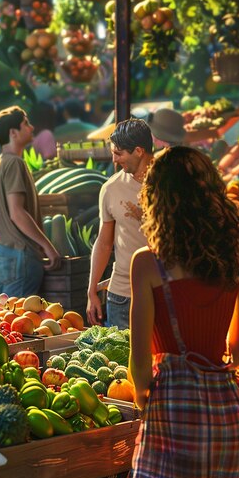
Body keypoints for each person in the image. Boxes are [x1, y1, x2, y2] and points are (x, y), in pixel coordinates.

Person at [127, 146, 239, 478]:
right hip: (227, 423)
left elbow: (139, 368)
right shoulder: (234, 257)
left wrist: (150, 406)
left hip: (172, 420)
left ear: (156, 200)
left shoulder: (146, 264)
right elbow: (237, 351)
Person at [86, 118, 154, 330]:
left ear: (139, 151)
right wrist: (91, 291)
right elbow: (104, 243)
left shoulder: (168, 182)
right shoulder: (110, 188)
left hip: (163, 293)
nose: (114, 160)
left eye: (119, 153)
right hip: (122, 297)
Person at [0, 106, 61, 298]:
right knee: (18, 319)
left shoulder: (0, 162)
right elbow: (17, 213)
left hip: (2, 251)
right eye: (26, 123)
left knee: (1, 315)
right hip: (20, 253)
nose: (32, 127)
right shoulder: (14, 163)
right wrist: (47, 246)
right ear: (13, 132)